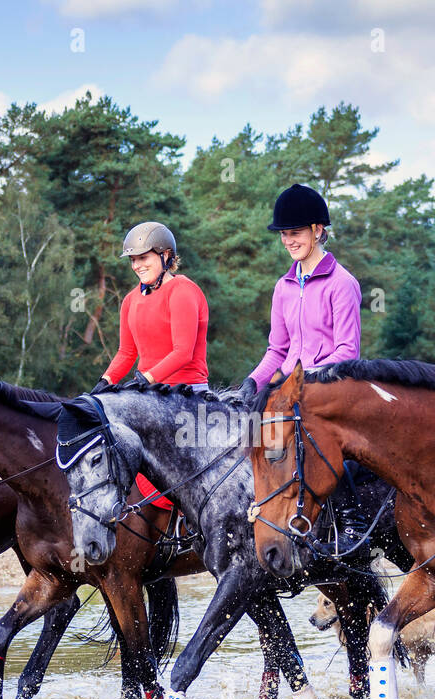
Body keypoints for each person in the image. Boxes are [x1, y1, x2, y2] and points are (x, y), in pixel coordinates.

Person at [235, 183, 365, 557]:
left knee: (319, 441)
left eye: (295, 233)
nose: (289, 241)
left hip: (331, 388)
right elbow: (277, 350)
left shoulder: (343, 284)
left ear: (317, 231)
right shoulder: (283, 287)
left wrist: (303, 379)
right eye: (284, 235)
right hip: (290, 393)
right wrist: (252, 382)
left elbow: (347, 352)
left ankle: (353, 520)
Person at [94, 222, 209, 393]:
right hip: (146, 390)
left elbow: (183, 353)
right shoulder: (130, 300)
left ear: (165, 255)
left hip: (186, 390)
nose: (136, 266)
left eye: (143, 257)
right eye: (133, 260)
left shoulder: (182, 291)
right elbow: (126, 352)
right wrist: (105, 381)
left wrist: (145, 379)